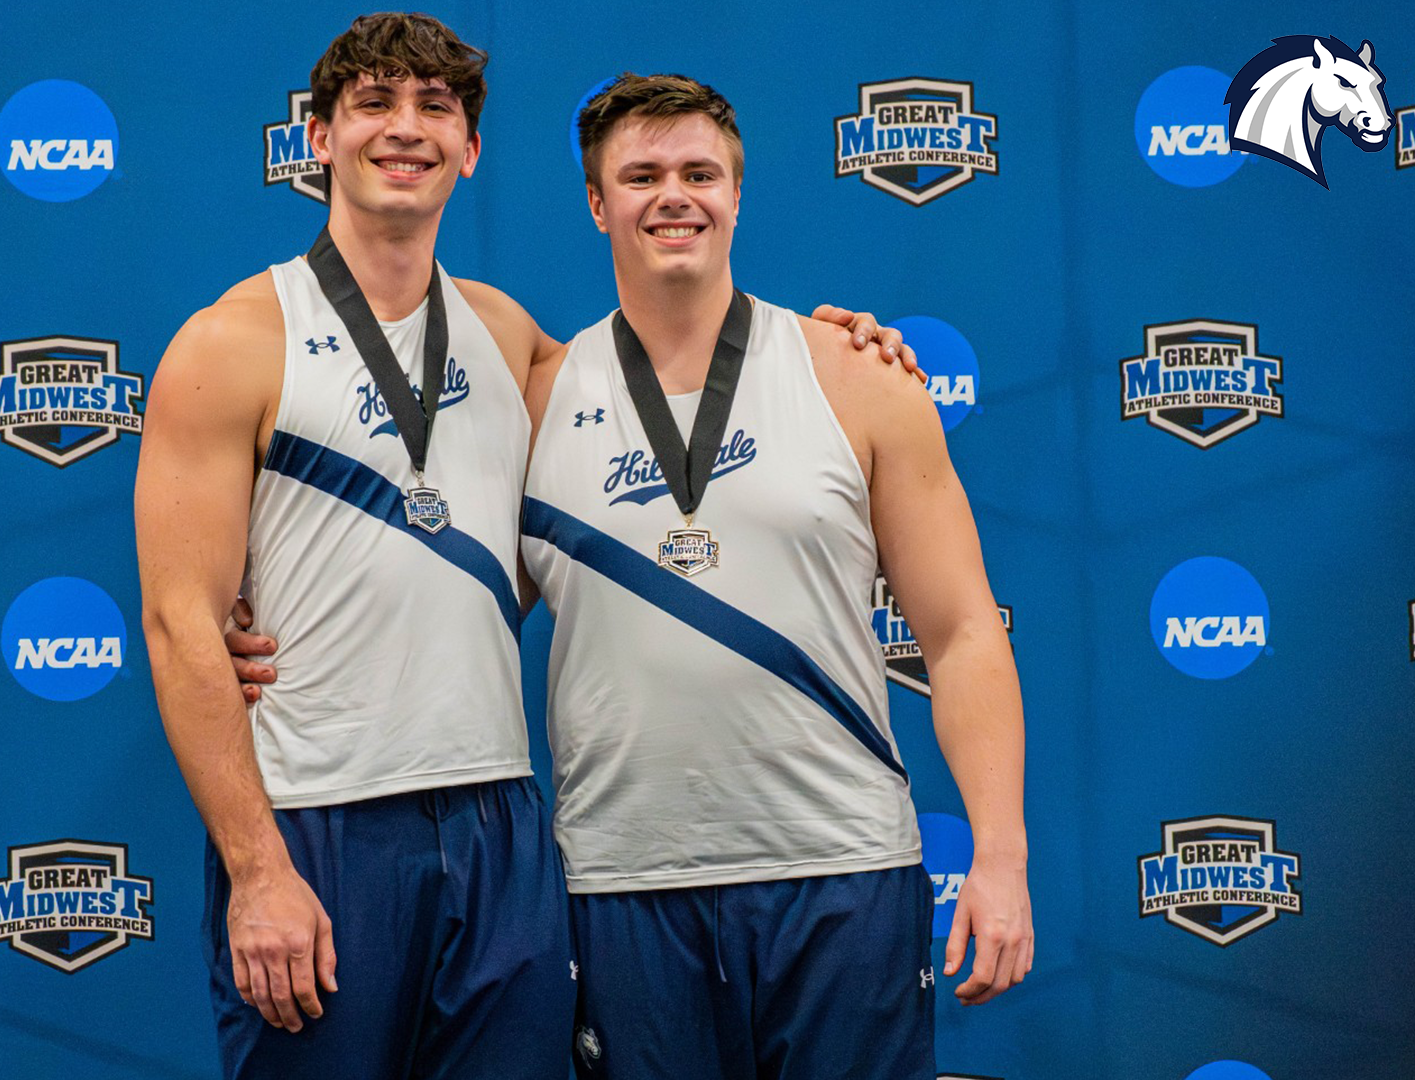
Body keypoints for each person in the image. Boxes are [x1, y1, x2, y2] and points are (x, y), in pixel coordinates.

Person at [140, 15, 919, 1078]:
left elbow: (676, 364)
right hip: (320, 822)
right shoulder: (229, 343)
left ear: (469, 148)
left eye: (435, 109)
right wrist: (255, 867)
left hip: (502, 827)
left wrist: (839, 343)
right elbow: (180, 621)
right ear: (316, 136)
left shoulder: (511, 340)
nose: (404, 130)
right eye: (373, 104)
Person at [518, 74, 1032, 1078]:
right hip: (624, 886)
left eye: (700, 172)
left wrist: (1000, 857)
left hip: (839, 874)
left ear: (737, 195)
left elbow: (964, 631)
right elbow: (450, 607)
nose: (675, 195)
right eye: (642, 175)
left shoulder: (856, 375)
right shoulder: (533, 401)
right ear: (595, 203)